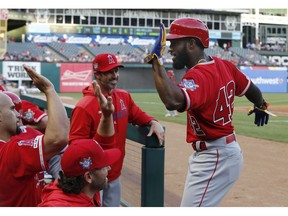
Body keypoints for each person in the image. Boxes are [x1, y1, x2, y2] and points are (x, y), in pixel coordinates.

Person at [145, 18, 271, 207]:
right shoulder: (225, 65)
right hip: (220, 153)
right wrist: (260, 104)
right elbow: (252, 89)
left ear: (191, 43)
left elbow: (173, 101)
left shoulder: (199, 75)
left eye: (174, 42)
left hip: (215, 156)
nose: (170, 48)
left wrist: (157, 62)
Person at [69, 53, 165, 207]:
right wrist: (90, 175)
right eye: (109, 72)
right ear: (98, 75)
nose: (115, 75)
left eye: (116, 71)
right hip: (92, 180)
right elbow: (75, 145)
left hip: (114, 175)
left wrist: (152, 121)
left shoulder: (124, 97)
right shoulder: (84, 107)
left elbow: (138, 115)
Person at [38, 81, 121, 207]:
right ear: (88, 177)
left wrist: (106, 116)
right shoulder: (59, 207)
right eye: (104, 166)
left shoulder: (85, 188)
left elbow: (104, 144)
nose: (109, 168)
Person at [0, 64, 69, 206]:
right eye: (13, 110)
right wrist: (49, 90)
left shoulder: (13, 144)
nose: (19, 114)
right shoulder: (10, 152)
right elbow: (58, 137)